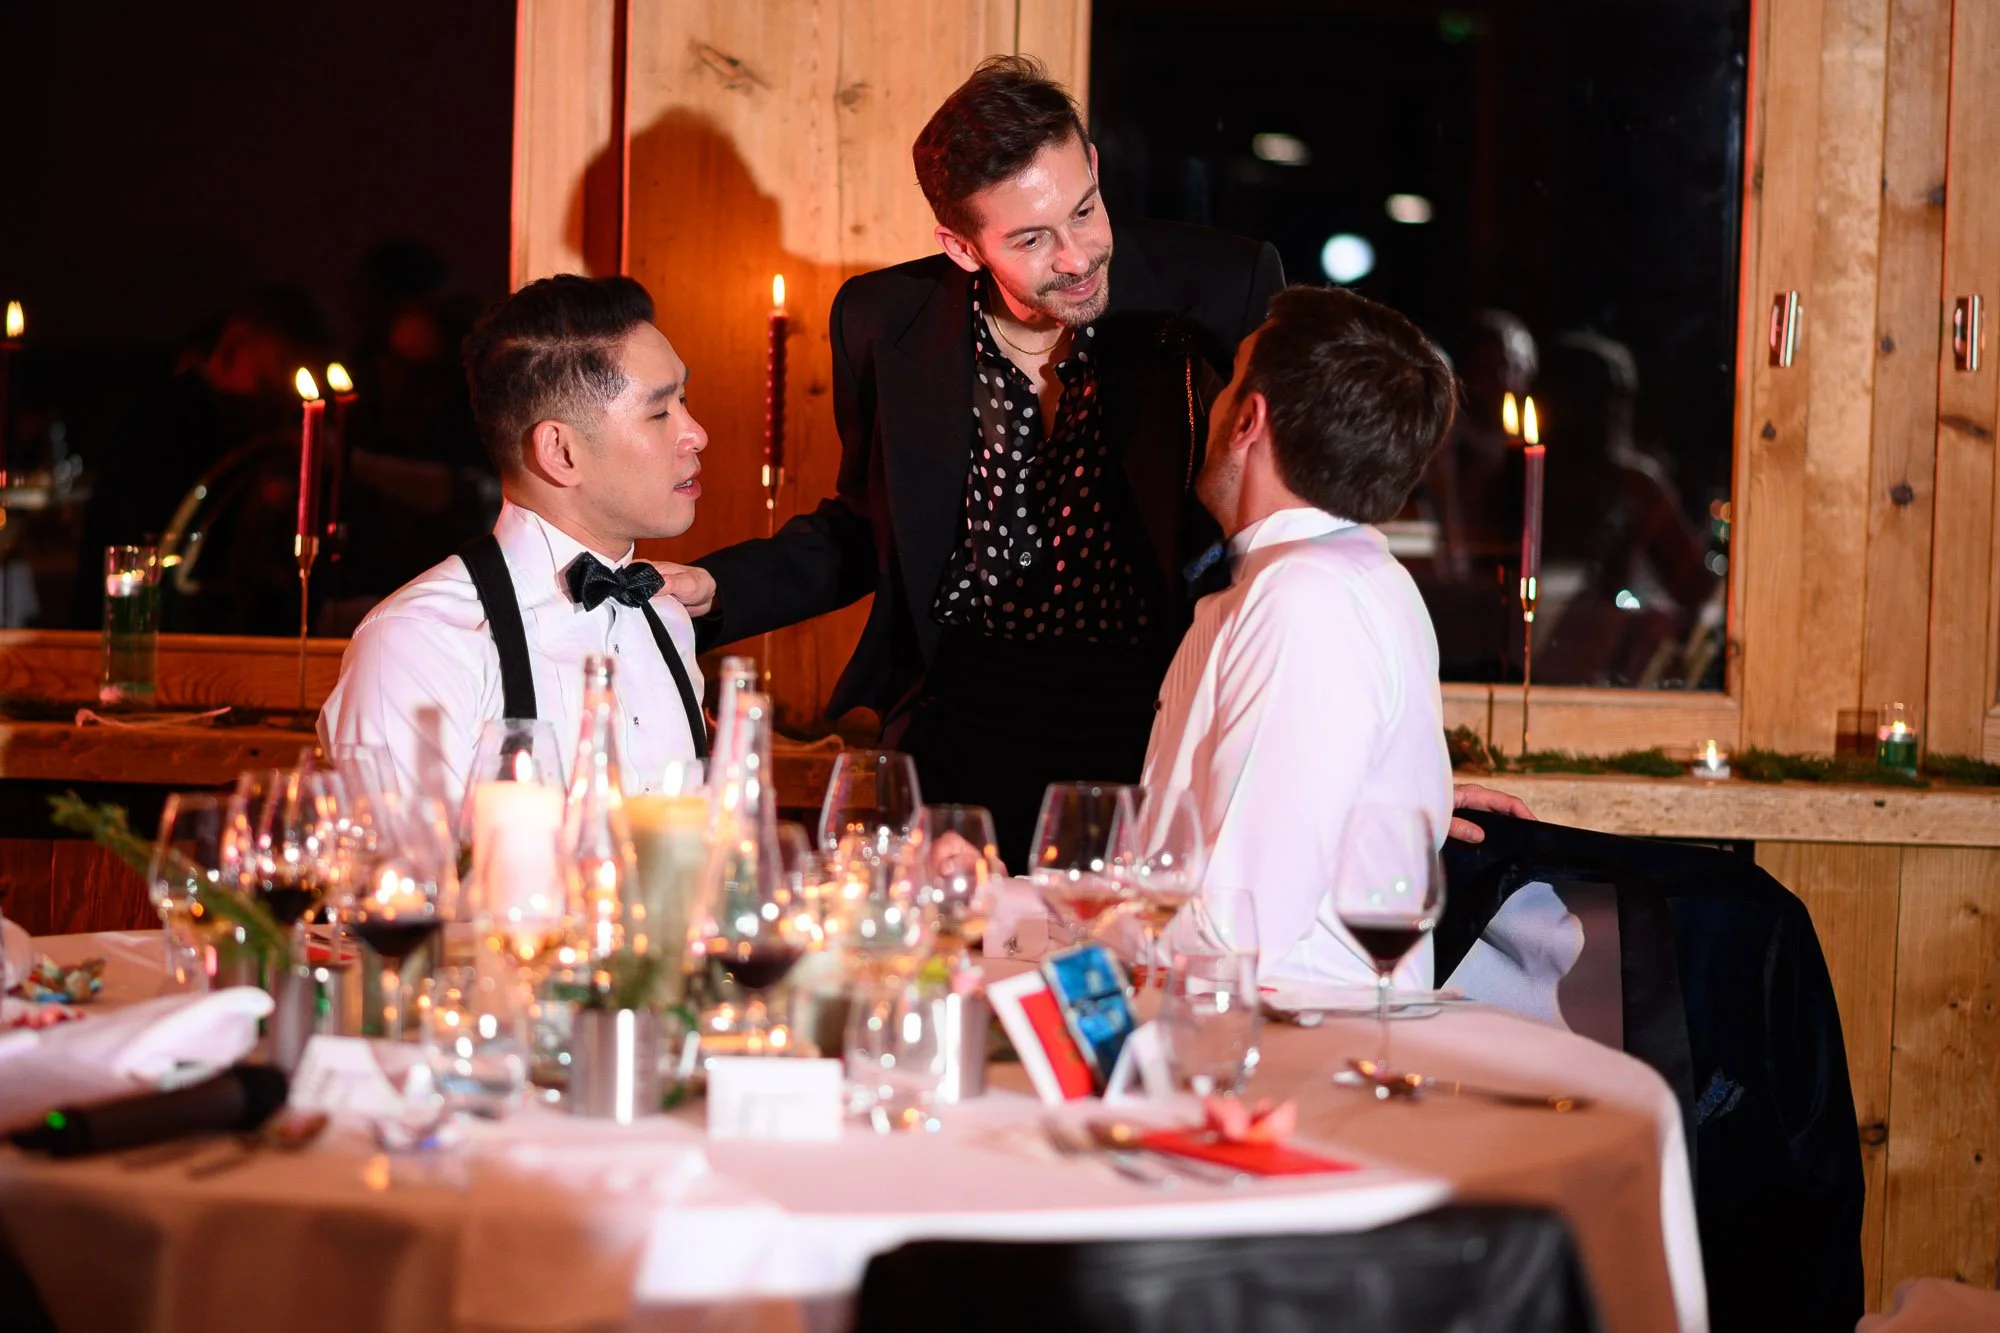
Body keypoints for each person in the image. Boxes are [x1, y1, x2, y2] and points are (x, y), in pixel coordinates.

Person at [667, 56, 1286, 867]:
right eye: (1031, 239)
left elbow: (1290, 518)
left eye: (1084, 210)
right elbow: (867, 526)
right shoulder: (881, 319)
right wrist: (714, 588)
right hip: (958, 731)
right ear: (961, 246)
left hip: (1152, 723)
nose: (1077, 256)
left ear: (1092, 164)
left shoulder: (1221, 286)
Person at [1145, 285, 1502, 988]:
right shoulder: (1343, 578)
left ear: (1248, 420)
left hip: (1290, 1036)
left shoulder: (1305, 600)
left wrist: (1022, 918)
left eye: (1229, 378)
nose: (1210, 400)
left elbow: (1232, 928)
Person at [318, 274, 712, 812]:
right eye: (661, 412)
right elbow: (399, 861)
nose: (697, 434)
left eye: (683, 398)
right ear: (560, 451)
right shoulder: (423, 641)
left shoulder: (665, 618)